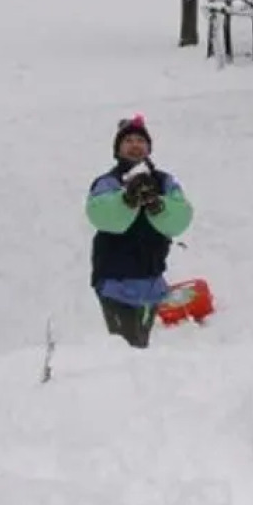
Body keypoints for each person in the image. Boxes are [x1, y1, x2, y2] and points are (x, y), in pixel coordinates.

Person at [86, 114, 194, 348]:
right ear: (118, 149)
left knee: (140, 346)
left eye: (140, 140)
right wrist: (127, 200)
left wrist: (158, 207)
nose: (135, 145)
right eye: (128, 141)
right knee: (125, 349)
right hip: (116, 283)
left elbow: (181, 218)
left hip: (151, 284)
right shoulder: (108, 183)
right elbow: (101, 216)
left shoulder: (164, 181)